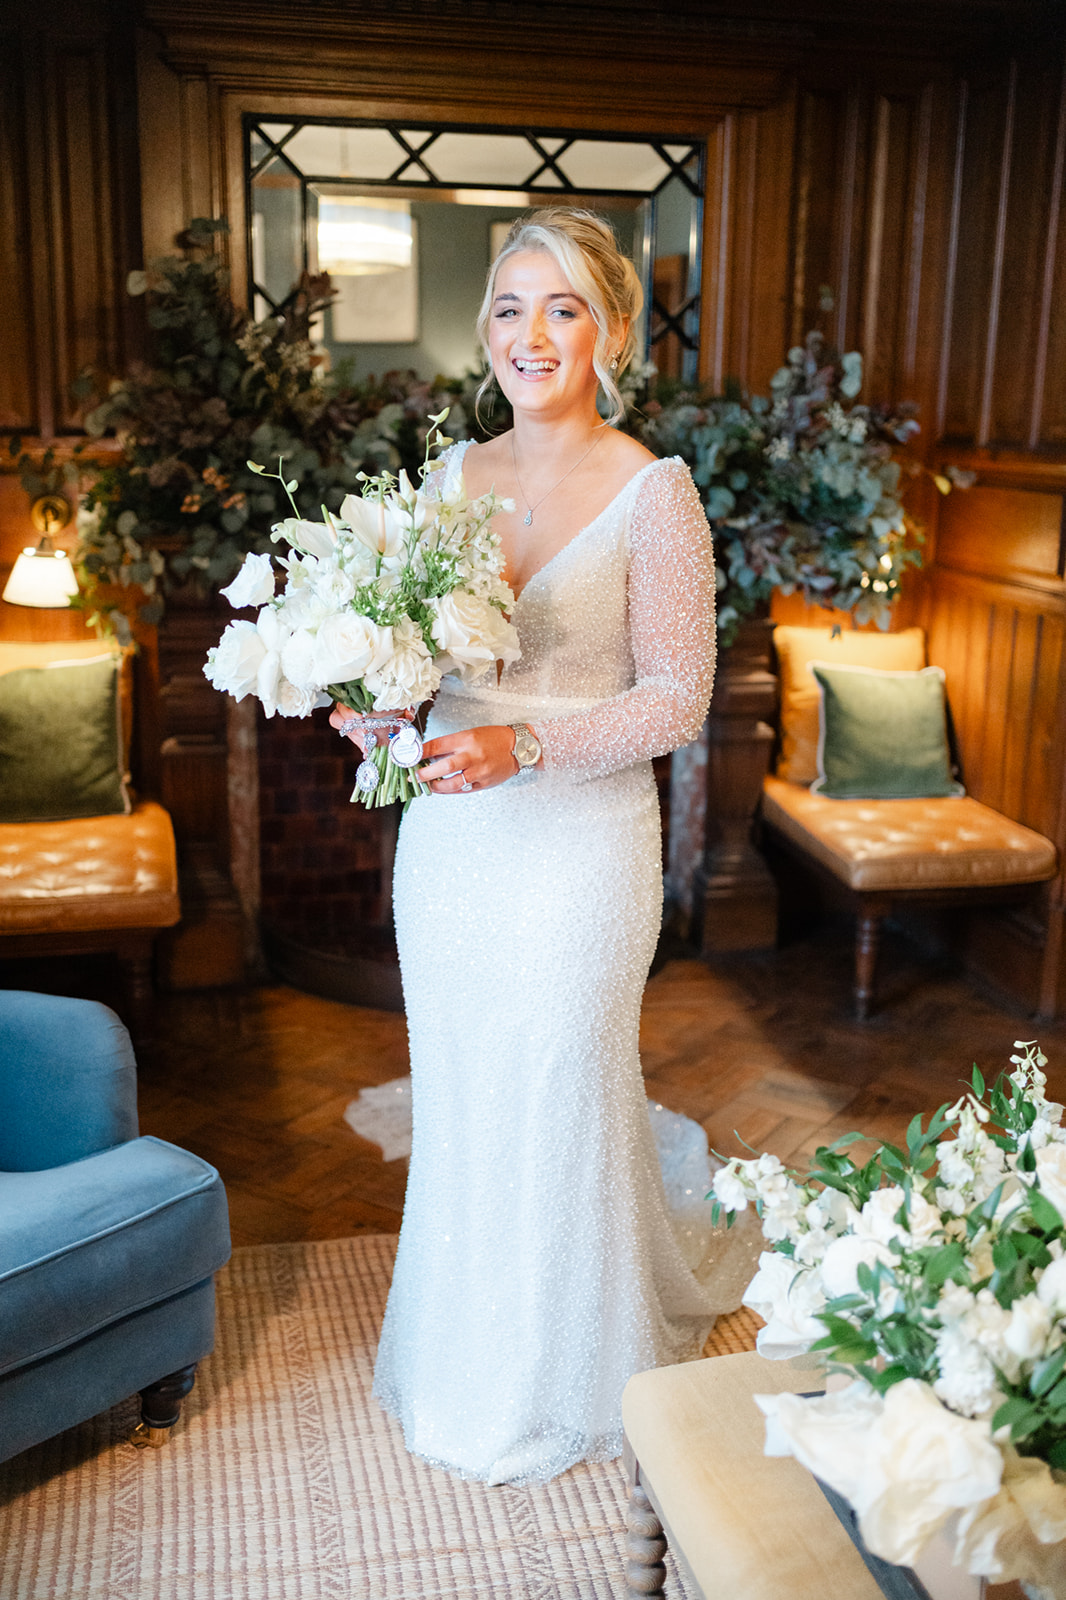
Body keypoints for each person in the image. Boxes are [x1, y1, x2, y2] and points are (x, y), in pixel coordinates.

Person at [330, 209, 746, 1486]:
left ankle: (570, 1371)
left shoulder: (653, 493)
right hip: (451, 844)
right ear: (486, 333)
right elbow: (418, 654)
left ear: (608, 329)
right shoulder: (448, 482)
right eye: (509, 309)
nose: (531, 334)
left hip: (579, 845)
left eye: (560, 307)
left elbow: (678, 699)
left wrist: (531, 748)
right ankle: (467, 1353)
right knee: (466, 1090)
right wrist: (384, 710)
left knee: (561, 1075)